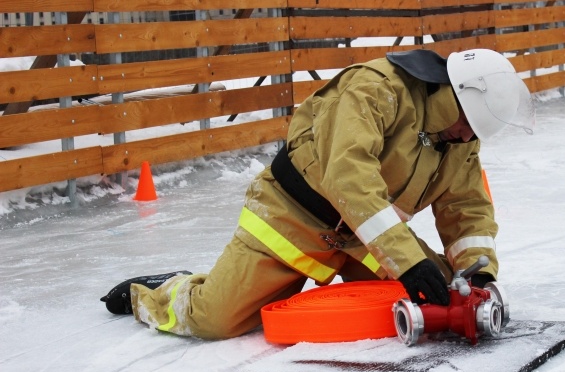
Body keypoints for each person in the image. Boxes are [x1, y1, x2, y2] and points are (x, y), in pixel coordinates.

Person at [101, 48, 535, 339]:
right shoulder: (375, 90)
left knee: (446, 298)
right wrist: (408, 260)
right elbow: (350, 178)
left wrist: (479, 274)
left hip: (365, 235)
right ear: (456, 97)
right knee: (214, 320)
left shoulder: (461, 135)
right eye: (468, 126)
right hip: (292, 218)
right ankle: (163, 290)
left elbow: (466, 206)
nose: (469, 138)